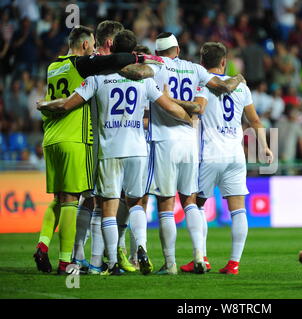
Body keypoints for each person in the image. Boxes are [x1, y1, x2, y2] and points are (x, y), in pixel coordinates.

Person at [37, 29, 191, 276]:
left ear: (110, 48)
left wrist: (44, 105)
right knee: (136, 203)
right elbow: (170, 106)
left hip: (108, 150)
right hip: (138, 150)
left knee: (106, 207)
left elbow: (67, 104)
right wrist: (189, 119)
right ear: (132, 52)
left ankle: (107, 264)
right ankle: (141, 250)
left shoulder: (97, 78)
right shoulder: (144, 80)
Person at [146, 32, 246, 275]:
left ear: (158, 52)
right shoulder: (195, 69)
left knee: (166, 203)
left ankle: (169, 263)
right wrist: (239, 77)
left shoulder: (154, 66)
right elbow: (222, 86)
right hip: (190, 142)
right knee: (190, 200)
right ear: (178, 49)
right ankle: (199, 257)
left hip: (164, 140)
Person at [176, 42, 273, 274]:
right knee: (238, 209)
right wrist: (266, 148)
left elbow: (197, 109)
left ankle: (202, 257)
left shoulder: (202, 85)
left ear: (202, 63)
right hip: (235, 155)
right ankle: (234, 263)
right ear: (223, 62)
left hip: (209, 154)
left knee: (196, 205)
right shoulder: (242, 88)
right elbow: (255, 121)